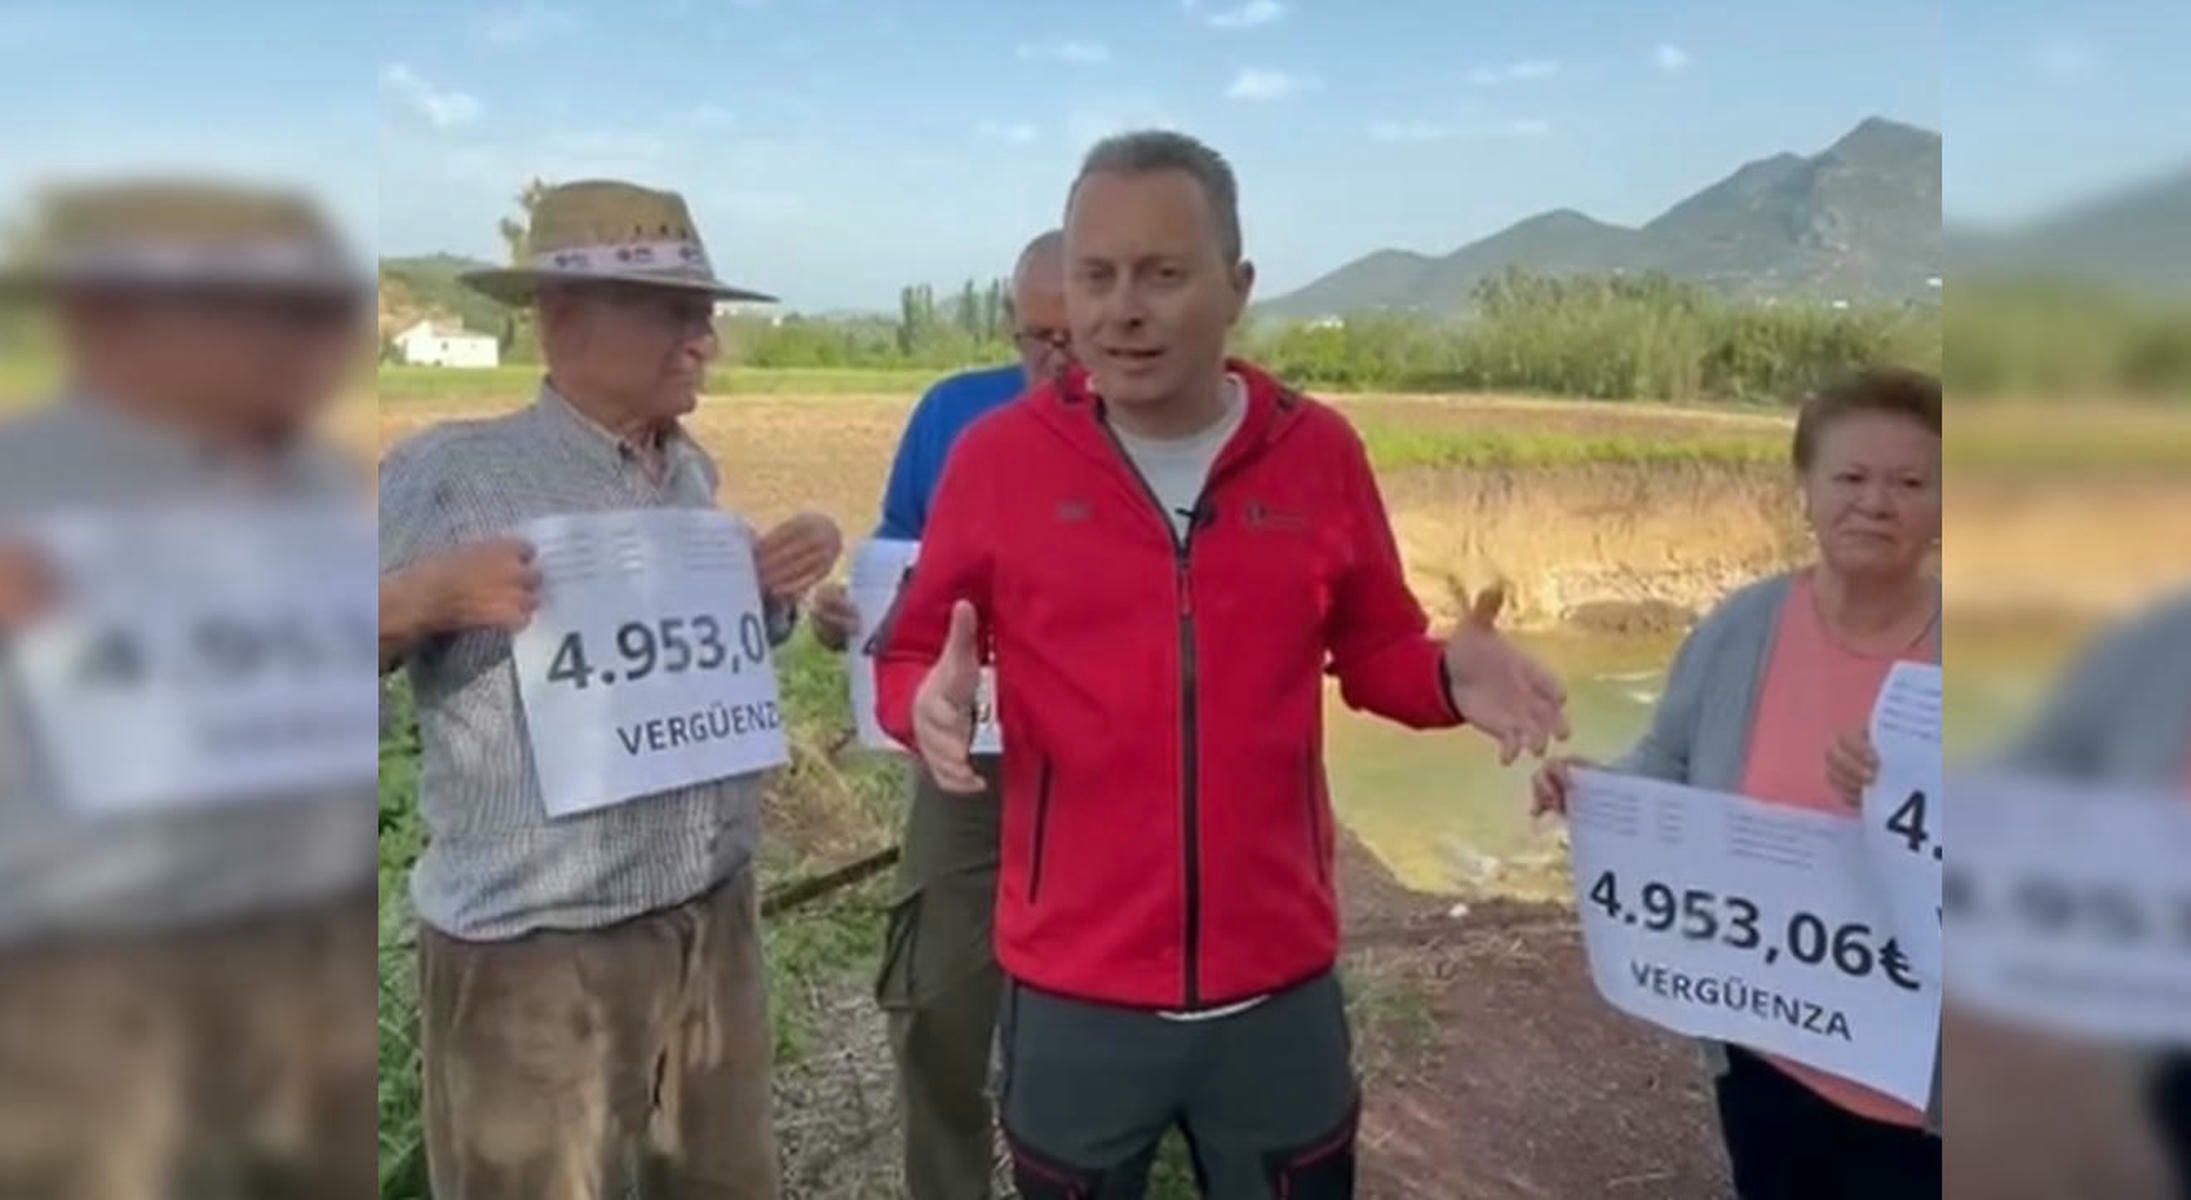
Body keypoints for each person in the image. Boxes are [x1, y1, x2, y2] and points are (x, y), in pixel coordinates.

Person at [875, 130, 1569, 1200]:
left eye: (1162, 273)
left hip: (1275, 992)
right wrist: (918, 702)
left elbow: (1375, 647)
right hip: (1073, 991)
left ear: (1234, 287)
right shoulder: (1000, 462)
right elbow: (915, 643)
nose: (1122, 310)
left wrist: (1441, 678)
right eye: (1096, 277)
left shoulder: (1318, 453)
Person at [377, 179, 842, 1200]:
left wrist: (764, 597)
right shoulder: (449, 476)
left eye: (706, 317)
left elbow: (688, 667)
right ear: (561, 315)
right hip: (535, 959)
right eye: (678, 314)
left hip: (710, 929)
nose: (704, 343)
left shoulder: (690, 475)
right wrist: (423, 596)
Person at [0, 180, 378, 1196]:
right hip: (90, 983)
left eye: (311, 314)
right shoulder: (22, 480)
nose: (302, 346)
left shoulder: (312, 484)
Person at [1533, 366, 1943, 1198]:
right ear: (1805, 491)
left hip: (1922, 1081)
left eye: (1908, 482)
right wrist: (1599, 793)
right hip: (1766, 1045)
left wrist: (1918, 794)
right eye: (1850, 477)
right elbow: (1671, 760)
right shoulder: (1742, 626)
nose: (1876, 503)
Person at [806, 228, 1071, 1200]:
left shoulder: (1159, 430)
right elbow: (895, 572)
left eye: (1071, 336)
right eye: (1029, 336)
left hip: (1111, 776)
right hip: (973, 763)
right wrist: (849, 616)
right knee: (935, 1008)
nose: (1051, 359)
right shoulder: (952, 415)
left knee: (1085, 1026)